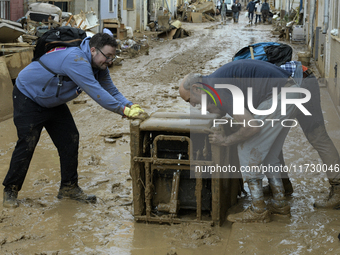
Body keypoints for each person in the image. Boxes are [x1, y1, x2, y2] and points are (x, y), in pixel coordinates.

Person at [2, 33, 146, 208]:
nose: (109, 61)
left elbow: (111, 91)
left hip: (53, 101)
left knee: (70, 139)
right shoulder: (75, 60)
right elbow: (96, 92)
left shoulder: (99, 66)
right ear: (93, 50)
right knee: (27, 142)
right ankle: (10, 190)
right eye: (107, 56)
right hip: (28, 96)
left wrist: (130, 105)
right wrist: (123, 110)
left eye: (112, 57)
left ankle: (69, 188)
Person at [179, 59, 302, 223]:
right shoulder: (217, 82)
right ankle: (280, 204)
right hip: (291, 92)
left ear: (196, 88)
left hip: (280, 95)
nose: (193, 105)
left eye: (189, 100)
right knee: (270, 153)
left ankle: (258, 209)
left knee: (246, 147)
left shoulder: (217, 88)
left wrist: (225, 140)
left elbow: (252, 128)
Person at [269, 61, 340, 209]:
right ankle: (283, 185)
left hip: (302, 82)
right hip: (294, 81)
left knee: (317, 136)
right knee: (272, 137)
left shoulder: (242, 82)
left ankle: (339, 189)